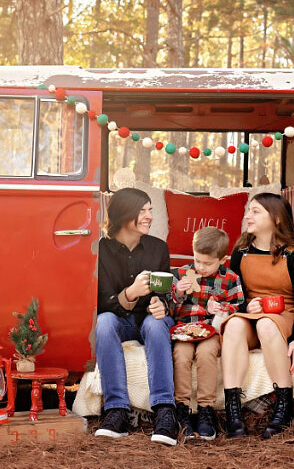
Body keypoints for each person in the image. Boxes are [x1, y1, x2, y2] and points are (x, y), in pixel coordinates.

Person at [220, 193, 294, 439]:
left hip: (285, 317)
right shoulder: (241, 252)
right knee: (233, 327)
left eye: (256, 211)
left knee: (267, 325)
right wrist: (243, 308)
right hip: (254, 315)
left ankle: (284, 405)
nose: (247, 216)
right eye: (248, 211)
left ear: (277, 219)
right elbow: (235, 298)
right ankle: (233, 411)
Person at [94, 187, 178, 446]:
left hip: (149, 320)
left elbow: (167, 295)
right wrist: (129, 294)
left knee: (156, 325)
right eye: (142, 211)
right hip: (116, 318)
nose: (149, 216)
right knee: (104, 322)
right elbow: (100, 302)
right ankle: (116, 411)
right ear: (124, 214)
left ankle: (165, 411)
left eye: (150, 210)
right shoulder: (101, 250)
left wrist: (160, 304)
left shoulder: (158, 248)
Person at [171, 227, 244, 441]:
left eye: (207, 263)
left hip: (210, 331)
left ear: (222, 259)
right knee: (181, 356)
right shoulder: (182, 274)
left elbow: (239, 306)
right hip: (183, 329)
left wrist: (221, 308)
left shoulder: (230, 278)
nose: (201, 267)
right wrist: (179, 293)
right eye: (197, 261)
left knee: (206, 355)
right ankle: (182, 409)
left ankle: (206, 410)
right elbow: (170, 309)